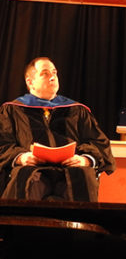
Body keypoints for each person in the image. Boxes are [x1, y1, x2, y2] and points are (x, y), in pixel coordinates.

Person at [0, 57, 116, 202]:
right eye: (45, 73)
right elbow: (3, 144)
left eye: (54, 73)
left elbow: (100, 144)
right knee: (27, 179)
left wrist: (85, 159)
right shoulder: (12, 110)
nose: (53, 77)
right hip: (32, 171)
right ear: (30, 82)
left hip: (72, 171)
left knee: (82, 177)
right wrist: (21, 158)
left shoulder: (77, 110)